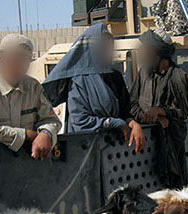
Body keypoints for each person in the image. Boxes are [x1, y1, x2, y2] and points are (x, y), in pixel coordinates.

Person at [42, 24, 145, 153]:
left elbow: (124, 112)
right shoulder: (79, 80)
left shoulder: (114, 76)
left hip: (113, 150)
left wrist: (133, 124)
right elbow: (80, 121)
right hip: (85, 150)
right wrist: (115, 123)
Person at [0, 34, 61, 160]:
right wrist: (25, 135)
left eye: (24, 61)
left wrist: (46, 133)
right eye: (14, 60)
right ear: (0, 58)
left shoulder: (33, 87)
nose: (19, 66)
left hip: (28, 164)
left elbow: (51, 120)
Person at [130, 29, 188, 188]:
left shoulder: (178, 76)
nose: (142, 53)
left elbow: (183, 112)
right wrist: (150, 118)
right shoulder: (143, 73)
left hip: (170, 147)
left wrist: (162, 112)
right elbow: (132, 104)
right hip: (144, 148)